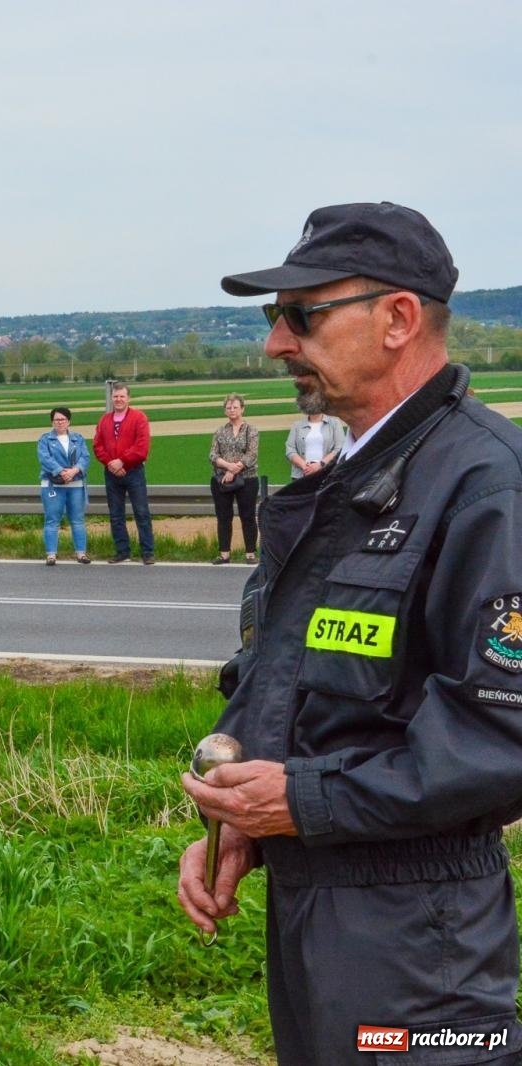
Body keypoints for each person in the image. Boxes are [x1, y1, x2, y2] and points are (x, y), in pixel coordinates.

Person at [178, 202, 522, 1065]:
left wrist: (300, 800)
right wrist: (251, 827)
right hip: (320, 913)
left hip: (418, 944)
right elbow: (305, 676)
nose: (276, 344)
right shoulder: (359, 479)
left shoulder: (485, 486)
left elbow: (501, 735)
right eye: (274, 317)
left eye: (302, 315)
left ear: (398, 319)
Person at [93, 383, 154, 564]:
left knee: (141, 512)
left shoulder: (139, 418)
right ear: (111, 398)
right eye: (115, 396)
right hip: (111, 473)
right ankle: (122, 551)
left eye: (122, 396)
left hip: (133, 471)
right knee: (116, 514)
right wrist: (110, 463)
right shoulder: (104, 420)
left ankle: (147, 552)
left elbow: (142, 447)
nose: (118, 400)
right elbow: (97, 445)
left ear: (128, 398)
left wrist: (122, 461)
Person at [208, 394, 260, 564]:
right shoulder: (219, 431)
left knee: (248, 516)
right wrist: (228, 467)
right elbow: (213, 455)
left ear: (242, 409)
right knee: (223, 516)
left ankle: (250, 553)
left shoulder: (251, 430)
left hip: (247, 479)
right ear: (225, 410)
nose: (232, 410)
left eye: (235, 407)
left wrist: (234, 469)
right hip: (222, 480)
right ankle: (224, 554)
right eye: (229, 407)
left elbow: (251, 455)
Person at [36, 408, 90, 564]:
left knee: (77, 520)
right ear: (52, 422)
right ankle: (51, 555)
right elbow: (45, 458)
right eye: (56, 420)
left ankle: (81, 554)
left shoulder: (78, 438)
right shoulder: (45, 439)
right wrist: (61, 472)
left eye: (63, 419)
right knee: (52, 519)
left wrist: (74, 471)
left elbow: (85, 457)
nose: (60, 422)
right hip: (53, 485)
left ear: (69, 421)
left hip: (76, 484)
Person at [283, 392, 346, 479]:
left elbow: (339, 448)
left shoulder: (334, 423)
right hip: (301, 475)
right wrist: (305, 466)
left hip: (327, 474)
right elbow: (290, 449)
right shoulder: (297, 425)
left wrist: (320, 465)